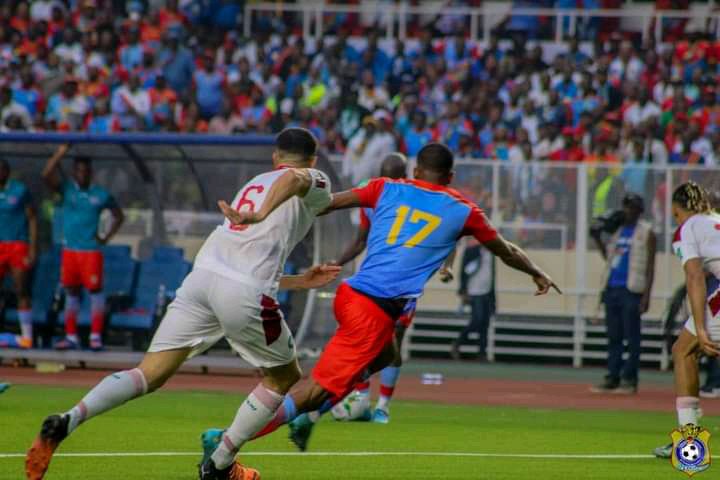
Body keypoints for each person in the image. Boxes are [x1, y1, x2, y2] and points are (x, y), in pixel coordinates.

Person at [201, 143, 560, 460]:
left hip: (354, 295)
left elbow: (326, 203)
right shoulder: (463, 210)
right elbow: (507, 251)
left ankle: (315, 410)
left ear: (415, 171)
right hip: (372, 308)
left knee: (387, 355)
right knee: (312, 392)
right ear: (450, 177)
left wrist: (267, 212)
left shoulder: (385, 187)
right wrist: (537, 273)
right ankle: (228, 439)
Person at [25, 128, 342, 480]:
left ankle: (67, 419)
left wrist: (298, 281)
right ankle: (220, 464)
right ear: (313, 160)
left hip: (202, 280)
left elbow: (242, 260)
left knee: (148, 373)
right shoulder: (311, 177)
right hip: (243, 291)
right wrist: (262, 213)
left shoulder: (254, 183)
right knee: (285, 376)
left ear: (274, 156)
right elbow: (296, 179)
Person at [330, 152, 454, 424]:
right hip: (375, 281)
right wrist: (336, 263)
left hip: (403, 286)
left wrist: (447, 265)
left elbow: (449, 232)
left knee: (393, 340)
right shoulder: (374, 197)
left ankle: (383, 405)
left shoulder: (418, 196)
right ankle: (362, 399)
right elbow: (361, 240)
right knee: (366, 340)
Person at [653, 182, 720, 459]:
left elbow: (694, 276)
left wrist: (701, 329)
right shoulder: (715, 220)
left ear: (676, 209)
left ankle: (689, 440)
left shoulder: (687, 228)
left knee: (683, 351)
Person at [42, 145, 125, 351]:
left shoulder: (100, 194)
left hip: (90, 251)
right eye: (79, 171)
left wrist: (105, 237)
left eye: (86, 171)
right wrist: (61, 152)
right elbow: (46, 175)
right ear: (74, 172)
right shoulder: (67, 190)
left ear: (91, 173)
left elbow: (119, 216)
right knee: (71, 292)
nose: (82, 174)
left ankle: (95, 336)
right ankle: (71, 336)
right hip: (70, 250)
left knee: (95, 291)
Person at [591, 193, 656, 394]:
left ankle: (630, 379)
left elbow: (651, 267)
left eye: (633, 207)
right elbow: (609, 258)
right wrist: (597, 239)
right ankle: (613, 377)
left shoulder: (647, 233)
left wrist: (646, 296)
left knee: (632, 337)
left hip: (632, 290)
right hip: (612, 288)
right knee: (614, 336)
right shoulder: (617, 230)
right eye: (626, 206)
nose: (628, 211)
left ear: (639, 211)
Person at [0, 159, 36, 349]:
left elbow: (32, 217)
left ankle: (27, 336)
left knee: (21, 288)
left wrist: (33, 248)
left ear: (7, 172)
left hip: (17, 245)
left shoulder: (20, 190)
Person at [450, 239, 495, 361]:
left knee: (485, 324)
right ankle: (458, 343)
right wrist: (463, 290)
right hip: (474, 291)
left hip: (487, 292)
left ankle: (482, 353)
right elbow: (463, 271)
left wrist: (493, 297)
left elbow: (492, 276)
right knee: (477, 320)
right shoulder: (471, 250)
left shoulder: (492, 252)